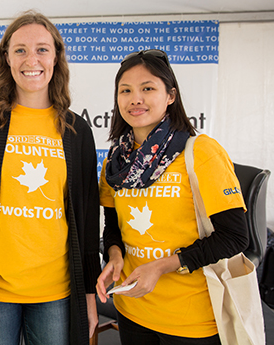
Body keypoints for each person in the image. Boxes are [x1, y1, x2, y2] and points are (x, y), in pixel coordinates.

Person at [0, 11, 101, 345]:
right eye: (20, 50)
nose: (32, 59)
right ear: (6, 57)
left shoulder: (76, 131)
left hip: (56, 293)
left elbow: (88, 221)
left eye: (43, 49)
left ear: (57, 56)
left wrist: (88, 295)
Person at [96, 49, 249, 344]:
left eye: (148, 88)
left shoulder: (201, 152)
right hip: (132, 308)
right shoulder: (114, 163)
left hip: (190, 319)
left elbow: (235, 237)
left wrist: (163, 266)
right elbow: (113, 228)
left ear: (171, 96)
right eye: (125, 90)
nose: (135, 98)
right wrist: (113, 256)